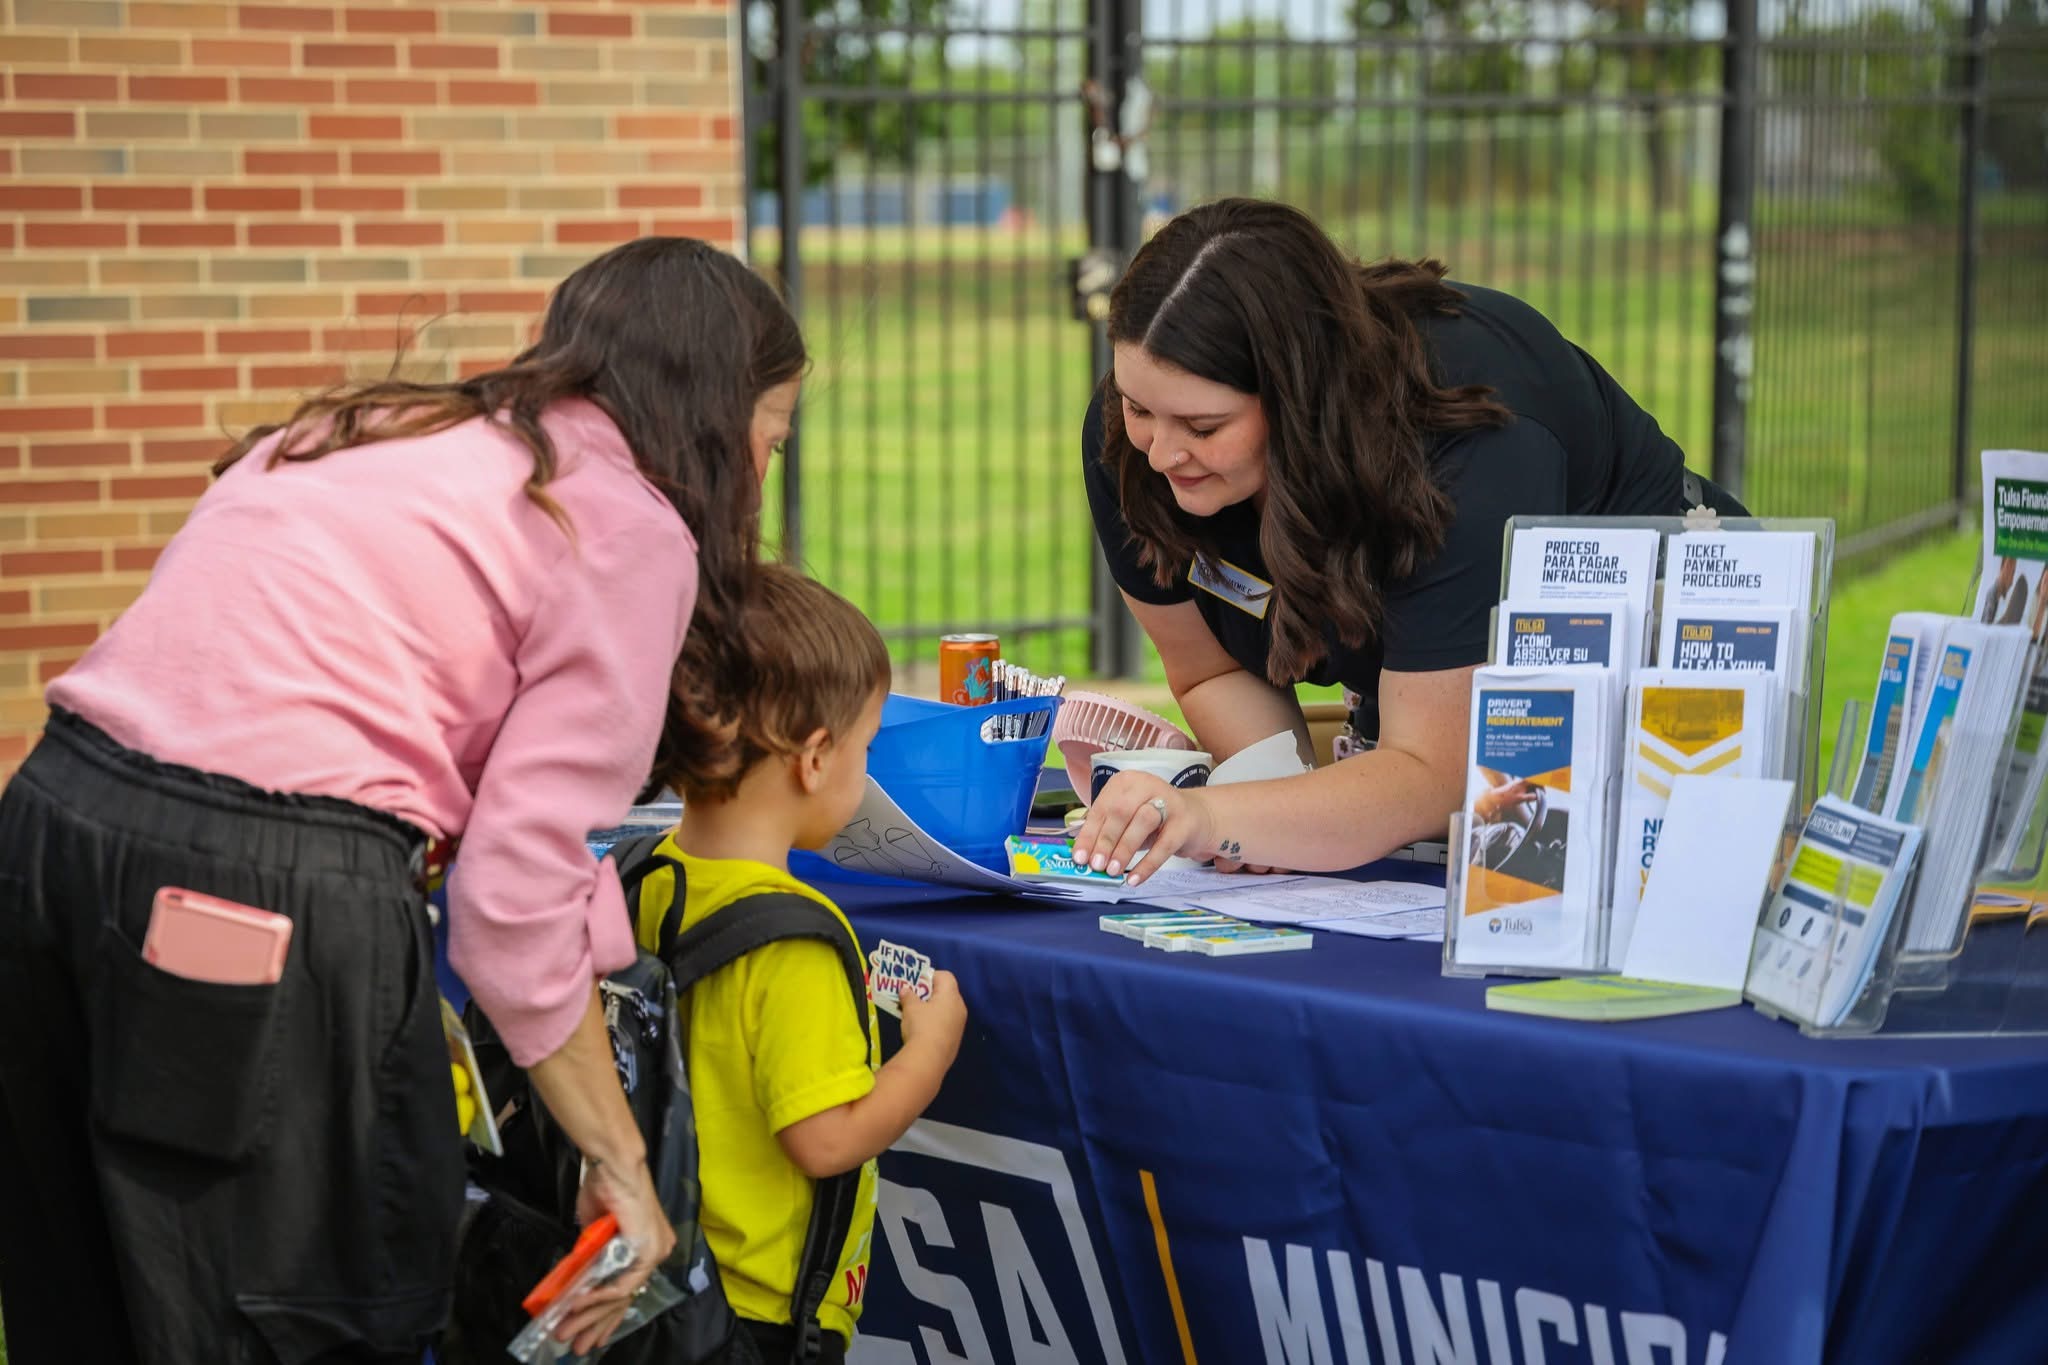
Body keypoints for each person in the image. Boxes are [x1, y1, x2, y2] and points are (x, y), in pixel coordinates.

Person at [0, 236, 804, 1363]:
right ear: (722, 417)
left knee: (85, 1289)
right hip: (262, 896)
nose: (763, 473)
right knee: (305, 1304)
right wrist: (620, 1168)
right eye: (772, 434)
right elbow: (513, 901)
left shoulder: (380, 427)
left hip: (47, 825)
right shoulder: (625, 526)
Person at [1073, 198, 1749, 885]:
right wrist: (1268, 818)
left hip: (1674, 696)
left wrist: (1217, 816)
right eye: (1137, 408)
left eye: (1205, 426)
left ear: (1299, 395)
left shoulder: (1466, 435)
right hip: (1454, 742)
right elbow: (1211, 670)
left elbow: (1432, 772)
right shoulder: (1130, 442)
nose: (1160, 452)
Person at [635, 564, 968, 1365]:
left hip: (659, 1280)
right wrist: (930, 1047)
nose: (867, 769)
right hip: (754, 1313)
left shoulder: (644, 874)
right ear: (815, 757)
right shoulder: (795, 941)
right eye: (868, 744)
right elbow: (823, 1140)